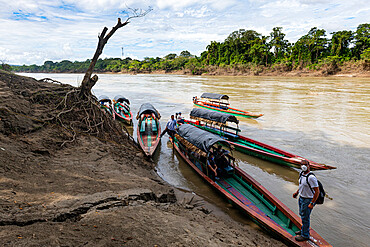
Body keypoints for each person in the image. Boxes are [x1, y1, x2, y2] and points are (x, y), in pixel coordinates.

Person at [293, 160, 320, 241]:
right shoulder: (301, 173)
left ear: (309, 165)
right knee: (302, 214)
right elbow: (302, 185)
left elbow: (317, 191)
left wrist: (312, 203)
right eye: (302, 165)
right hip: (301, 197)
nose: (303, 166)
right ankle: (303, 231)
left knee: (305, 217)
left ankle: (305, 235)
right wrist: (297, 192)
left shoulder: (311, 177)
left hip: (308, 199)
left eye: (305, 164)